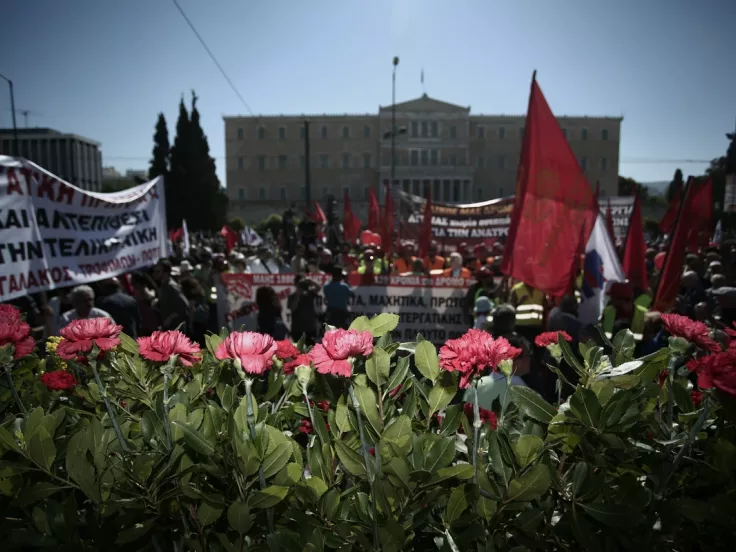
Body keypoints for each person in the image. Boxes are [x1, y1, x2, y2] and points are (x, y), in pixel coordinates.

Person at [153, 260, 191, 331]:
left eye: (158, 271)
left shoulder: (171, 286)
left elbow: (184, 305)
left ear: (166, 272)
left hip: (176, 327)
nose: (155, 274)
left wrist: (170, 318)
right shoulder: (163, 286)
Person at [288, 275, 321, 345]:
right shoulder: (292, 296)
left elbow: (318, 288)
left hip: (310, 328)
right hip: (297, 329)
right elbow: (292, 309)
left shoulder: (310, 293)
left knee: (311, 351)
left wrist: (310, 281)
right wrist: (298, 295)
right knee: (298, 352)